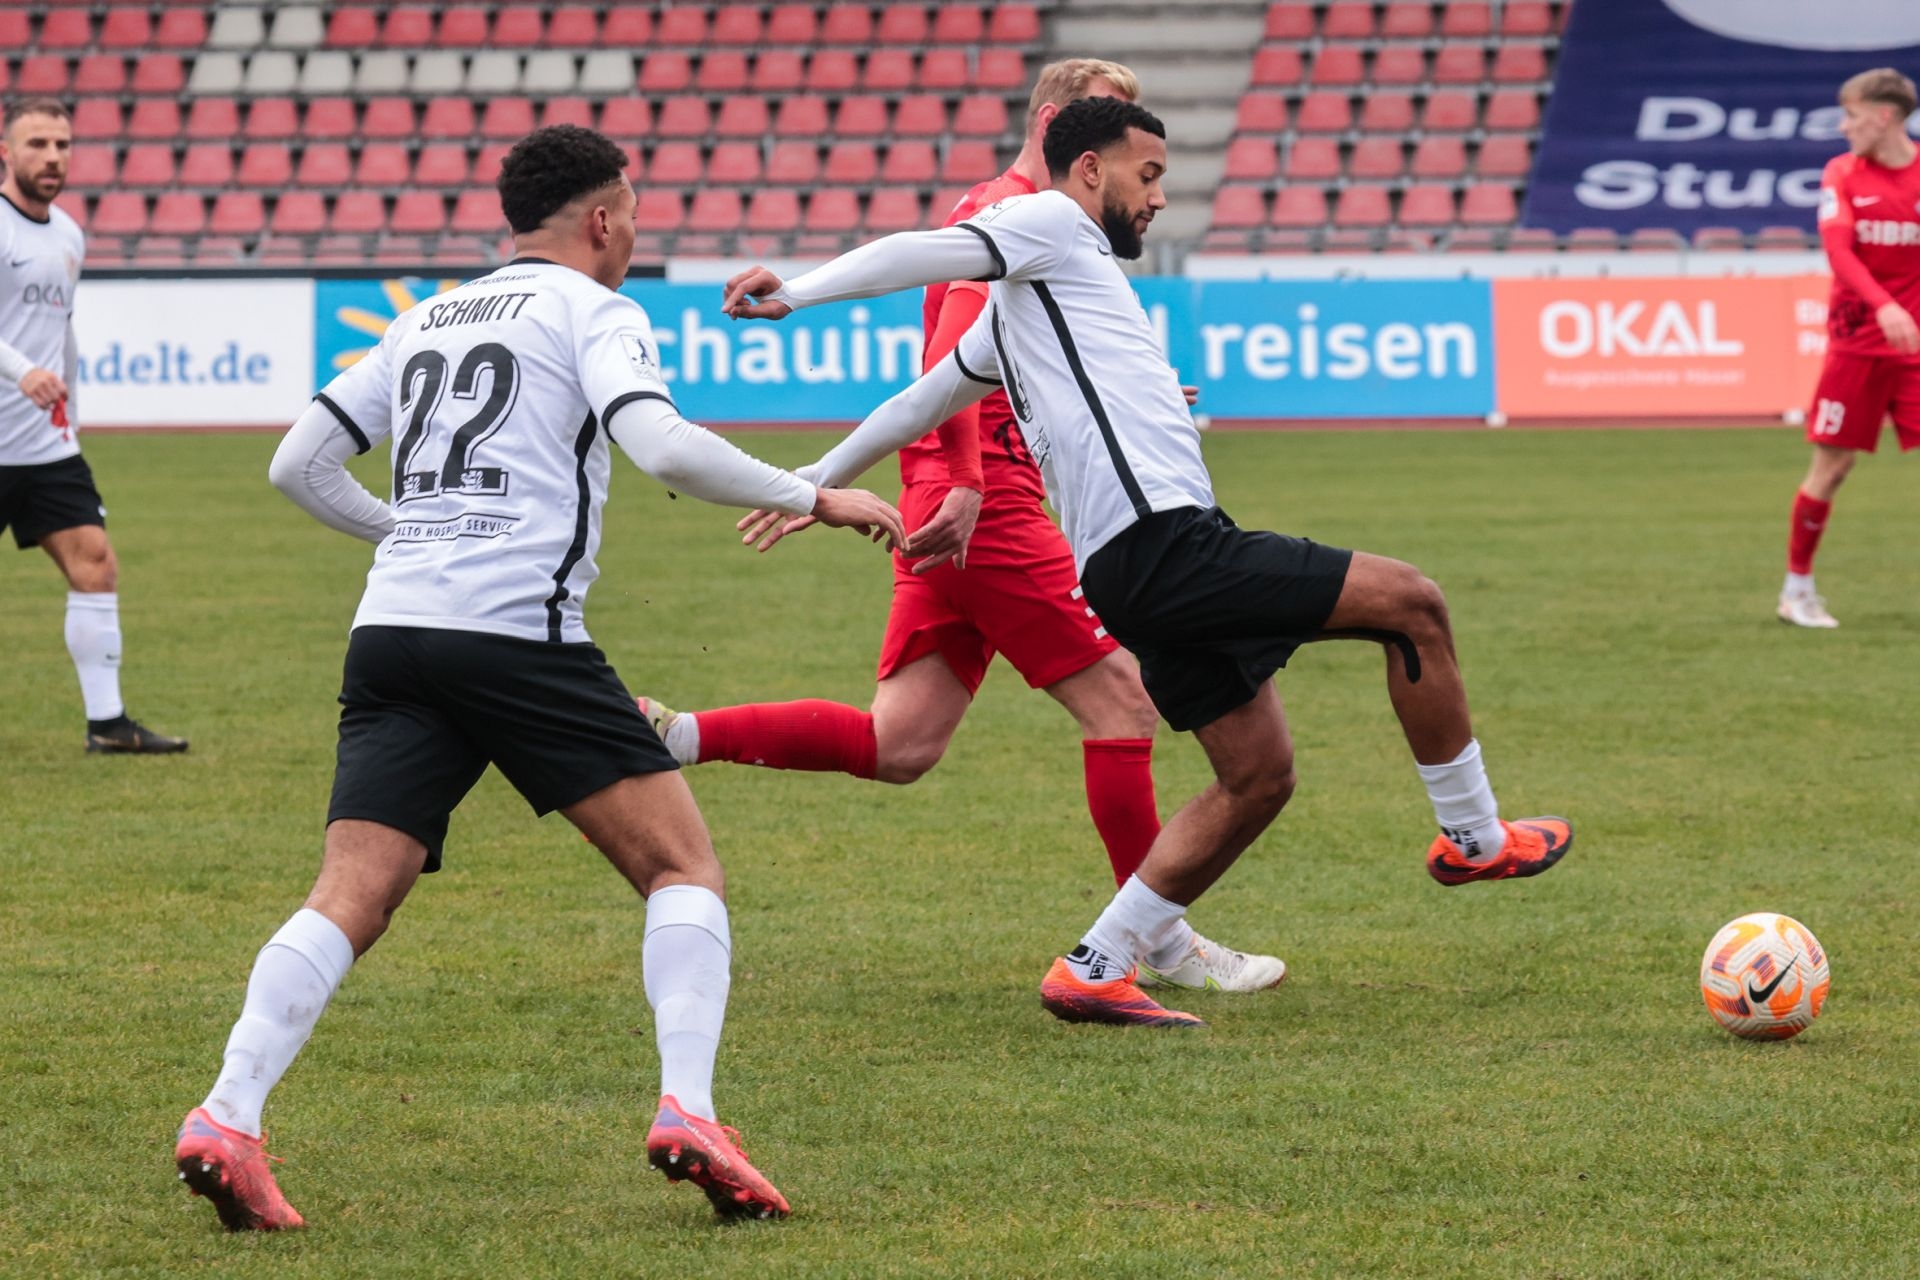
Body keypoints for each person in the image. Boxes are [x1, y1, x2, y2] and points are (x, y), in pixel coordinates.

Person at [172, 125, 904, 1230]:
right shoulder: (593, 309)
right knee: (682, 866)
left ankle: (227, 1114)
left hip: (393, 631)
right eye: (634, 213)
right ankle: (691, 1109)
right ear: (602, 220)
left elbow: (297, 463)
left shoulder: (425, 316)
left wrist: (407, 532)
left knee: (350, 893)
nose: (635, 233)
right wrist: (817, 495)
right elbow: (663, 447)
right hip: (516, 631)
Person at [721, 98, 1573, 1028]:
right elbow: (922, 251)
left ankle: (1096, 966)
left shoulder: (1026, 310)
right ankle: (1474, 837)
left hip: (1134, 570)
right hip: (1166, 549)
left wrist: (810, 481)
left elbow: (915, 405)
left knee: (1259, 775)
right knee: (1413, 603)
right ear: (1090, 169)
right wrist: (797, 290)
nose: (1159, 197)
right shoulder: (1049, 222)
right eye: (1149, 174)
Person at [641, 60, 1285, 995]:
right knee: (1122, 702)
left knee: (901, 742)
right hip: (983, 507)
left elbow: (991, 367)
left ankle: (678, 735)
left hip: (944, 500)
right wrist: (972, 482)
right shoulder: (1020, 213)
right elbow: (949, 367)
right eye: (1111, 125)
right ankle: (1156, 940)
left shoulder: (1022, 216)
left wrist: (817, 480)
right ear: (1064, 129)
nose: (1129, 155)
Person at [0, 98, 186, 752]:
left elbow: (62, 331)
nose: (52, 157)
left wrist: (69, 418)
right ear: (6, 152)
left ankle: (107, 725)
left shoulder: (69, 234)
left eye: (62, 144)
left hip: (45, 447)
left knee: (96, 564)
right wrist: (22, 371)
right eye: (37, 144)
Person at [1781, 68, 1920, 629]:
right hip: (1857, 343)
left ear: (1883, 117)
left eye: (1852, 116)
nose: (1844, 127)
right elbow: (1839, 253)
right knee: (1832, 468)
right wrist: (1885, 306)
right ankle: (1797, 590)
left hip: (1915, 349)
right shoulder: (1841, 173)